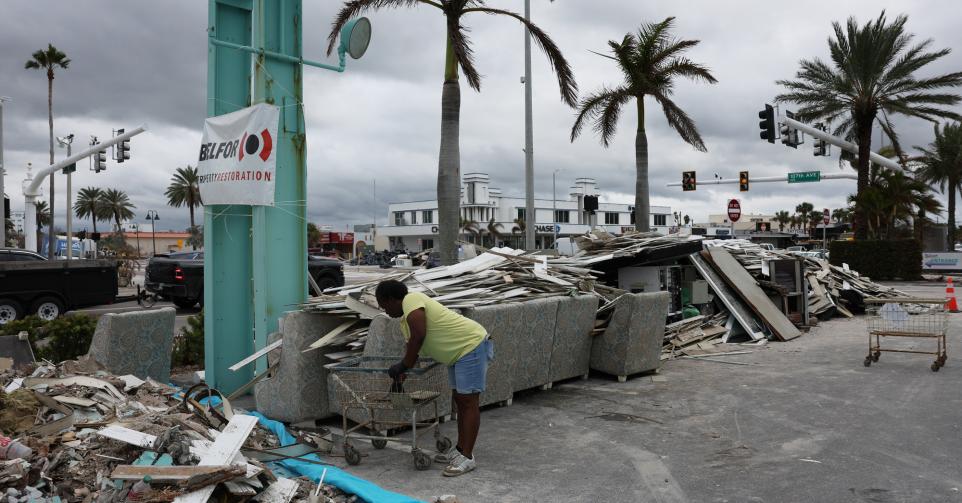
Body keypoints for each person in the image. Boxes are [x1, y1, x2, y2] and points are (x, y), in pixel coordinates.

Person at [375, 279, 494, 477]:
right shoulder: (405, 321)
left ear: (392, 299)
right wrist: (399, 378)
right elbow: (412, 350)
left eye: (384, 305)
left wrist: (403, 365)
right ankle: (459, 450)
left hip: (470, 345)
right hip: (458, 354)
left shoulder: (411, 299)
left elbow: (419, 334)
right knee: (460, 400)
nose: (385, 311)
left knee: (468, 401)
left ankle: (467, 456)